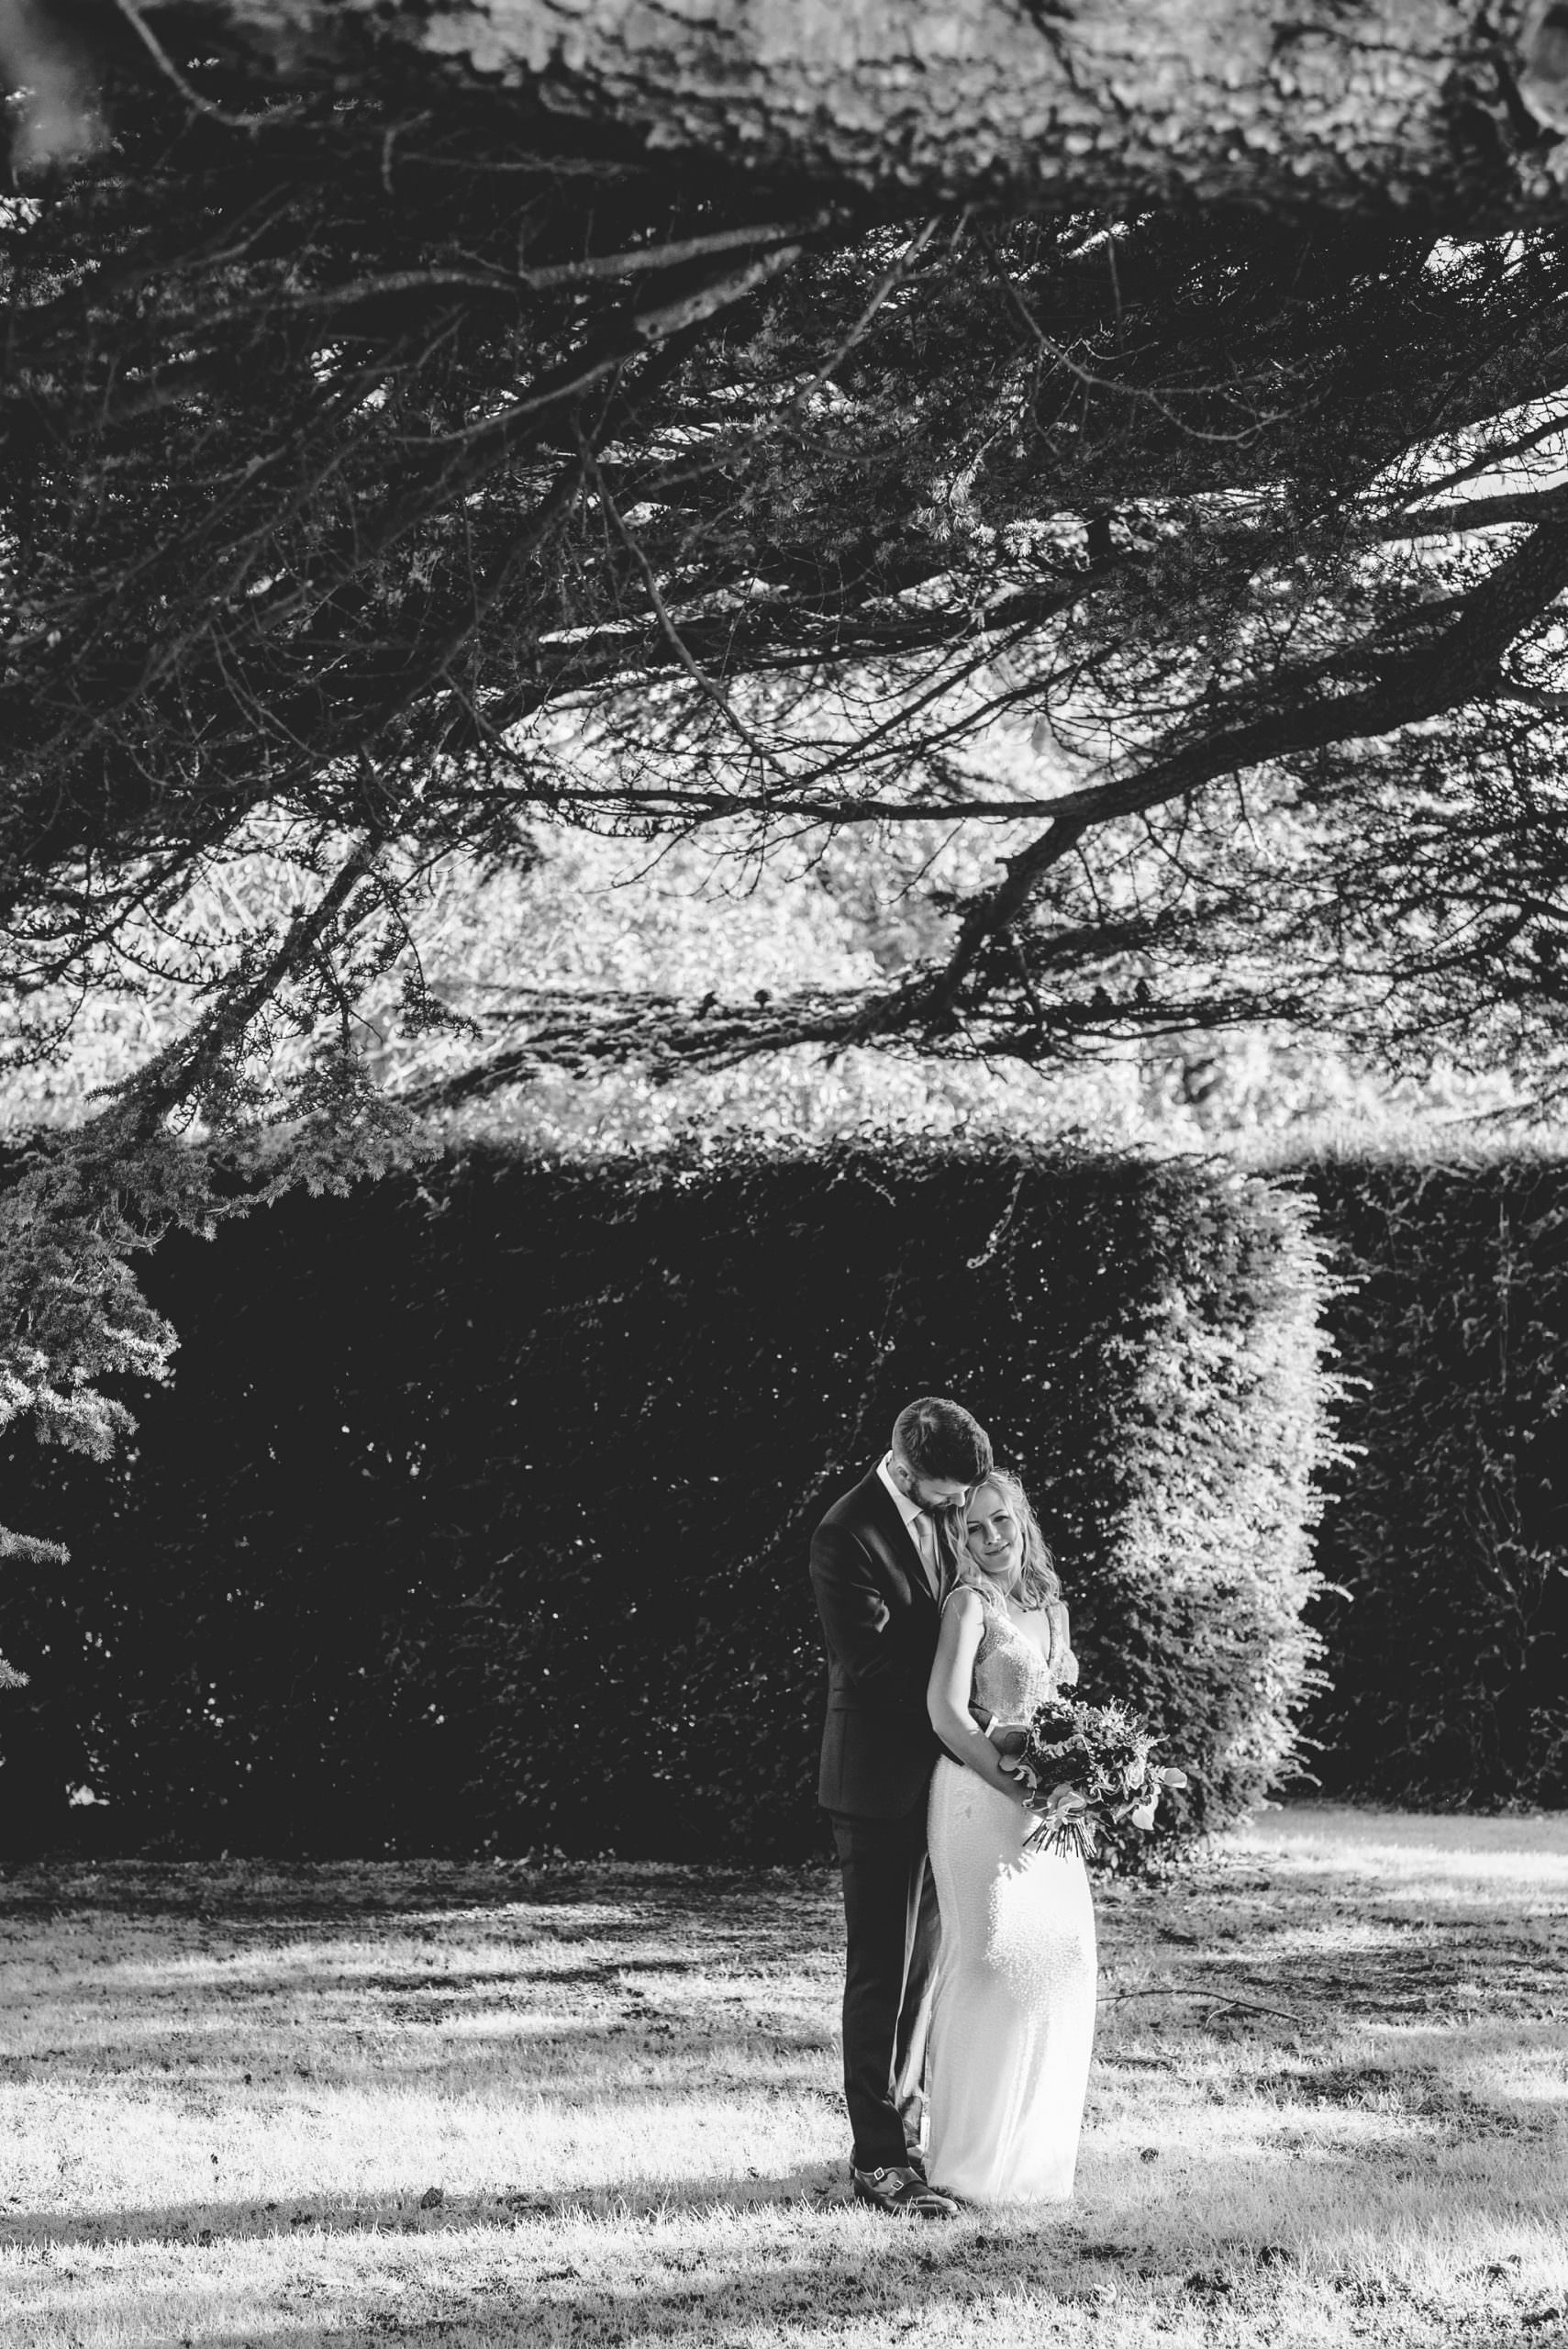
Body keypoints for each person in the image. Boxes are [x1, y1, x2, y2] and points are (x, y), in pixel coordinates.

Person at [808, 1397, 993, 2219]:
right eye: (948, 1493)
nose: (960, 1508)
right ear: (909, 1468)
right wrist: (967, 1718)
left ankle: (913, 2132)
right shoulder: (844, 1534)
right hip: (877, 1784)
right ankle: (878, 2161)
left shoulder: (949, 1513)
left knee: (927, 1969)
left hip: (947, 1787)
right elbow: (871, 1668)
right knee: (882, 1972)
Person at [923, 1468, 1096, 2204]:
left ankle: (1031, 2162)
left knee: (1061, 1964)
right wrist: (1016, 1785)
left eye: (1002, 1522)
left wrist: (1085, 1777)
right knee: (986, 1965)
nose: (992, 1540)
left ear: (1022, 1521)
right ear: (957, 1537)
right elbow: (945, 1713)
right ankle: (961, 2164)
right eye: (974, 1528)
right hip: (975, 1800)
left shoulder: (1050, 1609)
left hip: (1048, 1814)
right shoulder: (970, 1605)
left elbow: (1059, 1713)